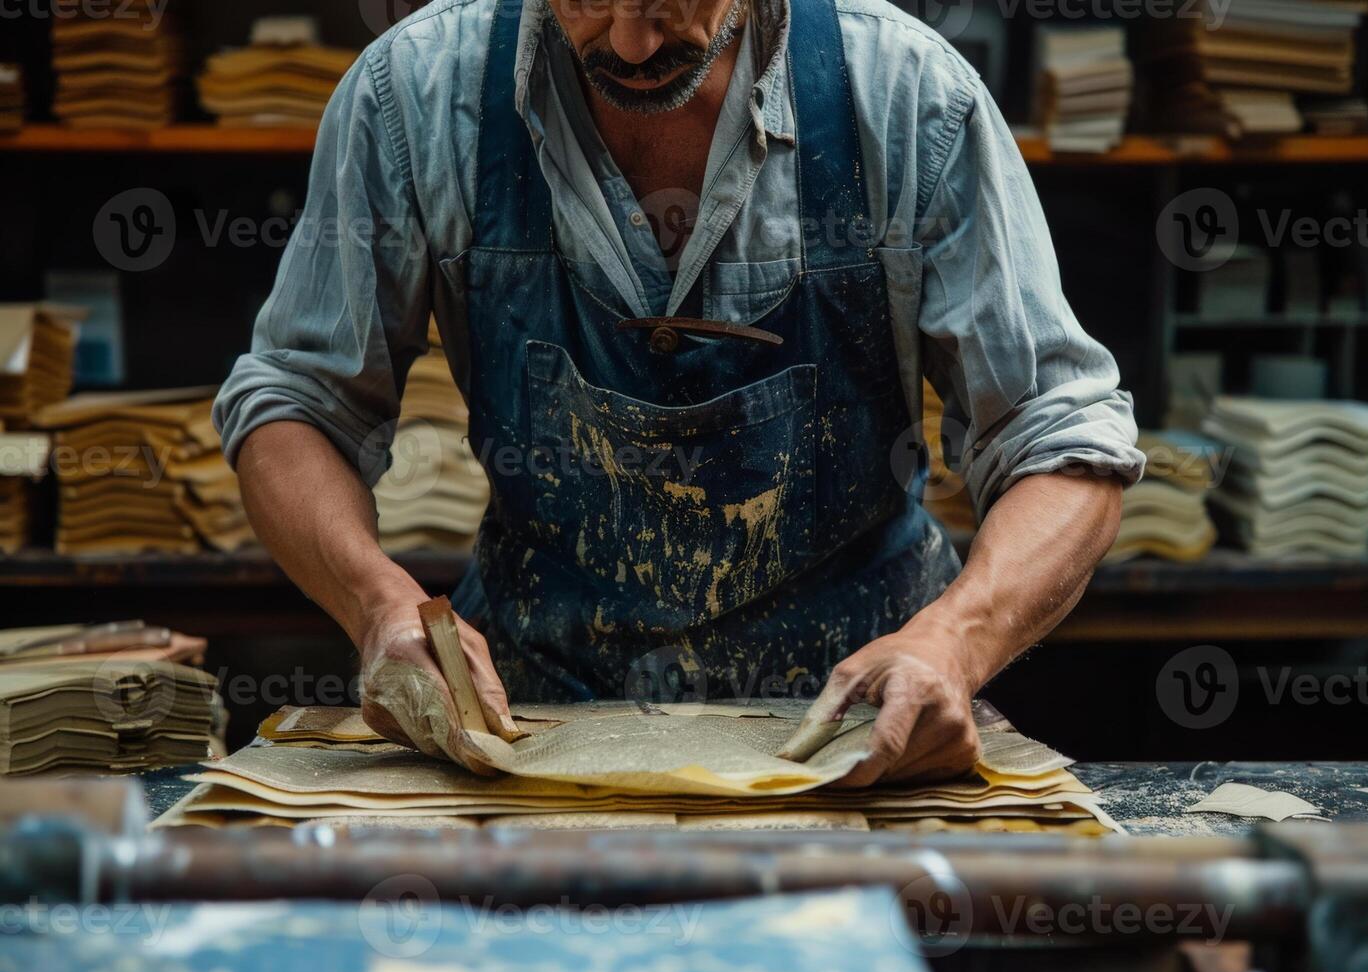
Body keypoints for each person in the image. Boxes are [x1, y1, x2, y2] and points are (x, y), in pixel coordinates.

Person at [214, 0, 1144, 786]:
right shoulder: (414, 98)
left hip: (866, 731)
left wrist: (958, 640)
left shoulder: (907, 96)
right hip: (527, 729)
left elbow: (1060, 434)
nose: (629, 42)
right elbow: (298, 403)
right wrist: (376, 607)